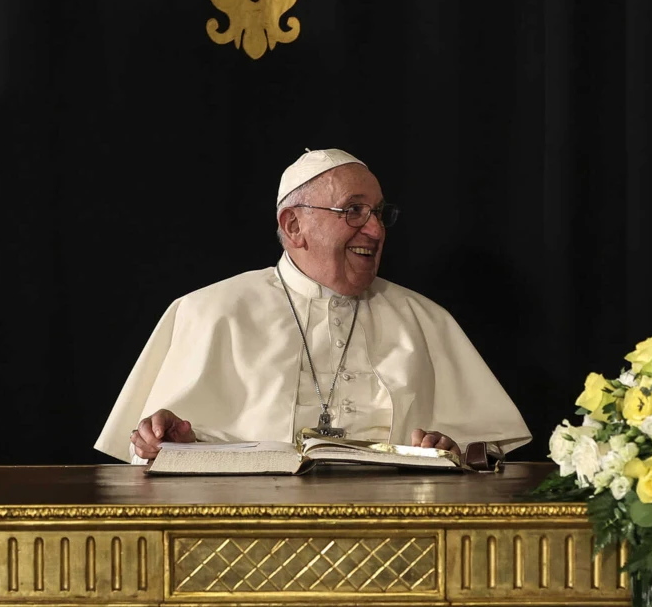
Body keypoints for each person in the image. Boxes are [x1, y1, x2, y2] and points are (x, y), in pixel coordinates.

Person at [95, 148, 530, 463]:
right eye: (354, 211)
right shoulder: (209, 312)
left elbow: (486, 451)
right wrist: (171, 447)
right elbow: (153, 453)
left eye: (379, 212)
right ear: (294, 225)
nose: (376, 230)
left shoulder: (424, 319)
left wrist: (452, 453)